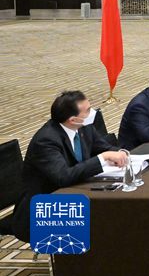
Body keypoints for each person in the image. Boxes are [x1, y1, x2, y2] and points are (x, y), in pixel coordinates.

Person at [11, 91, 128, 242]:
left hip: (75, 192)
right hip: (45, 207)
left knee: (116, 214)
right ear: (72, 119)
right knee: (103, 223)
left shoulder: (84, 127)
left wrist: (121, 153)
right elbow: (63, 177)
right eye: (88, 110)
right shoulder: (46, 140)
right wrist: (103, 158)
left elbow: (104, 148)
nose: (93, 113)